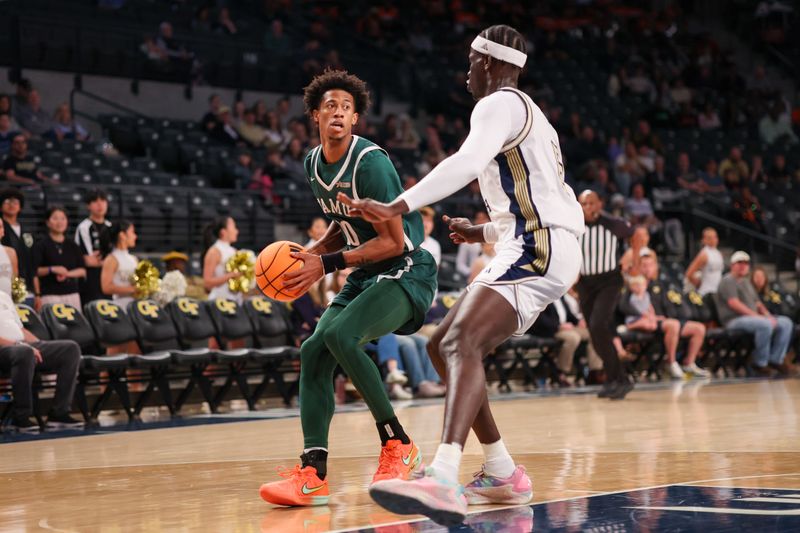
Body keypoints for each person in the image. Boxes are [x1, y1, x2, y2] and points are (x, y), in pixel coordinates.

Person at [339, 25, 583, 524]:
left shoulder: (498, 103)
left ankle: (445, 476)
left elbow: (467, 161)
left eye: (471, 61)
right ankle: (501, 471)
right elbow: (546, 199)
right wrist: (485, 231)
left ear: (490, 63)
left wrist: (396, 204)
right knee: (442, 344)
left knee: (459, 345)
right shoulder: (536, 118)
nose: (466, 71)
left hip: (537, 247)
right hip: (532, 241)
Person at [259, 69, 437, 508]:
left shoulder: (371, 163)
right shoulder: (312, 165)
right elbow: (344, 227)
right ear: (315, 116)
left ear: (355, 119)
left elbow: (394, 241)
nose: (337, 112)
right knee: (313, 350)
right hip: (365, 271)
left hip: (407, 268)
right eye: (329, 106)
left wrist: (327, 263)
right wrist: (313, 254)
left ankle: (398, 443)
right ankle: (313, 473)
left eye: (345, 107)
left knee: (341, 336)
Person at [577, 190, 643, 400]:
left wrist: (636, 264)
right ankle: (616, 378)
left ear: (600, 203)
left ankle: (618, 379)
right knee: (595, 333)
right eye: (583, 203)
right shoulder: (574, 225)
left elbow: (637, 236)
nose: (587, 207)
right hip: (585, 283)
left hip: (609, 281)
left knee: (599, 325)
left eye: (591, 203)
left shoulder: (612, 223)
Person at [0, 289, 83, 433]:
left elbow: (21, 330)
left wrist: (41, 346)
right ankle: (20, 417)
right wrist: (21, 346)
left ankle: (59, 413)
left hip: (20, 346)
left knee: (70, 348)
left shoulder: (3, 296)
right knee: (24, 352)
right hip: (5, 349)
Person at [716, 251, 795, 377]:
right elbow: (734, 304)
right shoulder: (728, 280)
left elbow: (758, 303)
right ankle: (760, 363)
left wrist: (767, 315)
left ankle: (776, 359)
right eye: (739, 263)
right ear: (732, 265)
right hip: (734, 320)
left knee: (786, 323)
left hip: (752, 318)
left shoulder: (746, 282)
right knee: (765, 325)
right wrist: (758, 316)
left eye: (746, 263)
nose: (743, 265)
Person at [31, 207, 86, 310]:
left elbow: (82, 270)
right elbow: (35, 271)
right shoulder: (41, 245)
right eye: (55, 218)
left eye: (62, 218)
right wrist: (52, 269)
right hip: (49, 295)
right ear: (47, 222)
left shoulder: (72, 245)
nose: (59, 222)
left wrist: (67, 273)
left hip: (72, 294)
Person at [75, 189, 112, 305]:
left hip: (109, 277)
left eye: (103, 200)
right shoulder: (84, 227)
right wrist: (108, 261)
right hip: (90, 280)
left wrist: (106, 261)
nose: (100, 204)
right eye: (95, 201)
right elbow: (90, 260)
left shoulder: (110, 226)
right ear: (88, 206)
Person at [0, 188, 33, 300]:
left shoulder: (27, 231)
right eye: (7, 201)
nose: (11, 204)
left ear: (20, 207)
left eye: (15, 202)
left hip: (26, 285)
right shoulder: (1, 228)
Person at [202, 216, 242, 304]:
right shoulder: (214, 251)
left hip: (236, 300)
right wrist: (230, 275)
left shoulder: (234, 251)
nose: (237, 231)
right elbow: (207, 283)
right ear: (223, 232)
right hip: (219, 303)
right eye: (234, 227)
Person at [100, 221, 138, 309]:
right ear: (122, 235)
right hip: (120, 308)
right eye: (132, 232)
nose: (135, 236)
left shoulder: (134, 258)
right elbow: (106, 287)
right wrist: (133, 289)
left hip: (135, 307)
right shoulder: (112, 259)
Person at [684, 227, 723, 296]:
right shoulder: (704, 254)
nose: (713, 240)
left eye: (715, 237)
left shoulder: (718, 253)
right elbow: (689, 273)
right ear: (704, 240)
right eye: (709, 238)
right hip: (706, 293)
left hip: (717, 292)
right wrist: (698, 284)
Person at [454, 210, 488, 277]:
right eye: (478, 219)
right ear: (475, 221)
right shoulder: (466, 240)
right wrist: (472, 273)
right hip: (472, 277)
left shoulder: (495, 240)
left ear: (489, 221)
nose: (481, 222)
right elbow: (460, 264)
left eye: (483, 219)